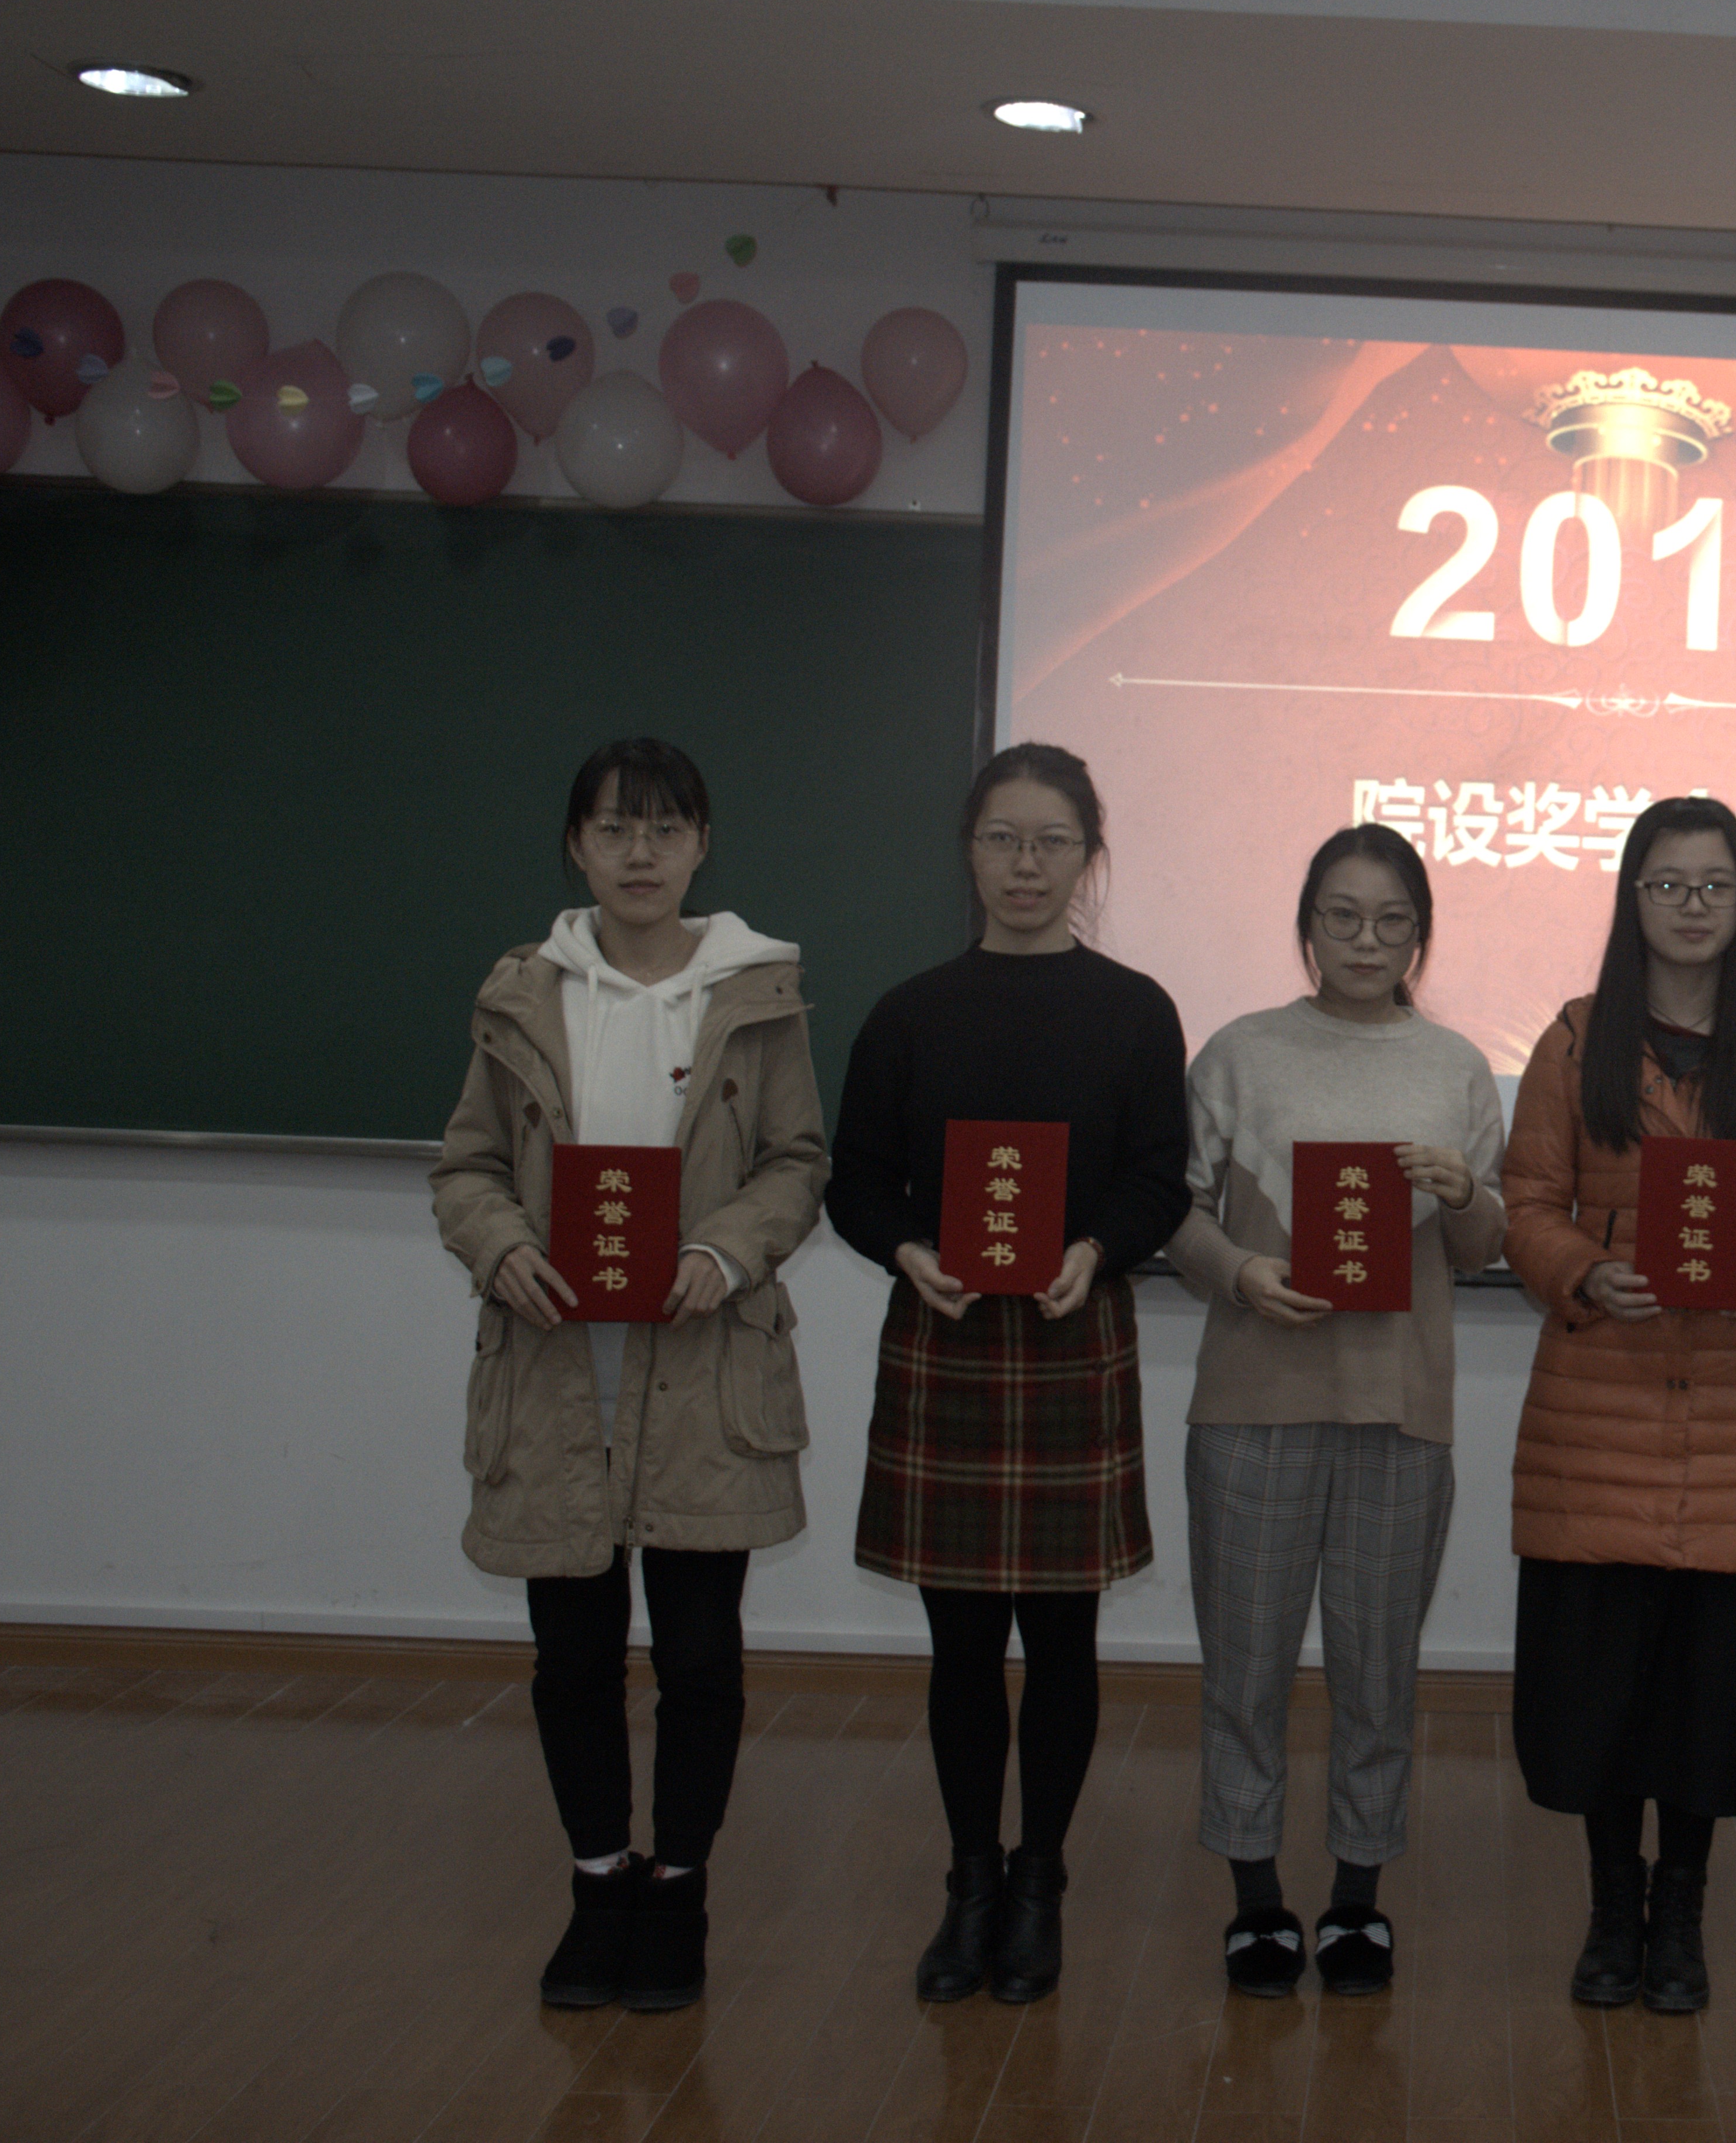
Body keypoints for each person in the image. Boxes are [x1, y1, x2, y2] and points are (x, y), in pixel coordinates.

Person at [430, 737, 829, 2016]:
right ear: (577, 846)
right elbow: (466, 1167)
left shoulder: (757, 990)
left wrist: (726, 1247)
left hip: (704, 1367)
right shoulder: (522, 993)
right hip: (556, 1368)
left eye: (664, 829)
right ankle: (599, 1884)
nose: (639, 853)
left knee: (701, 1658)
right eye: (613, 829)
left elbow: (797, 1161)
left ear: (702, 843)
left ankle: (681, 1890)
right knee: (573, 1659)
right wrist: (501, 1247)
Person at [828, 741, 1190, 2008]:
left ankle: (1042, 1879)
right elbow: (856, 1179)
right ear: (969, 850)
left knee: (1066, 1635)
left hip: (1071, 1329)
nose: (1026, 865)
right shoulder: (909, 1011)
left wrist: (1098, 1248)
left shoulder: (1135, 1009)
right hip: (950, 1334)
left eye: (1051, 842)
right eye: (1002, 839)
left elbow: (1160, 1174)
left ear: (1089, 855)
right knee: (963, 1643)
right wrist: (907, 1250)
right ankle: (970, 1878)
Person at [1499, 797, 1736, 2016]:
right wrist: (1585, 1270)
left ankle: (1683, 1912)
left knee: (1712, 1695)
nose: (1692, 906)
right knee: (1600, 1691)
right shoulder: (1573, 1039)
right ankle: (1613, 1911)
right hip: (1597, 1410)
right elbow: (1525, 1202)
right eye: (1668, 884)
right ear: (1631, 897)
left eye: (1715, 885)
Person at [1166, 824, 1507, 1999]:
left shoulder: (1457, 1066)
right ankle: (1256, 1896)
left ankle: (1359, 1892)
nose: (1367, 940)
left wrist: (1464, 1195)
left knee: (1378, 1671)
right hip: (1254, 1398)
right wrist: (1238, 1270)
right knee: (1246, 1666)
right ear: (1307, 926)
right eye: (1343, 917)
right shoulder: (1240, 1052)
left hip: (1400, 1405)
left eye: (1392, 920)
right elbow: (1176, 1209)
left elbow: (1483, 1244)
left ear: (1421, 935)